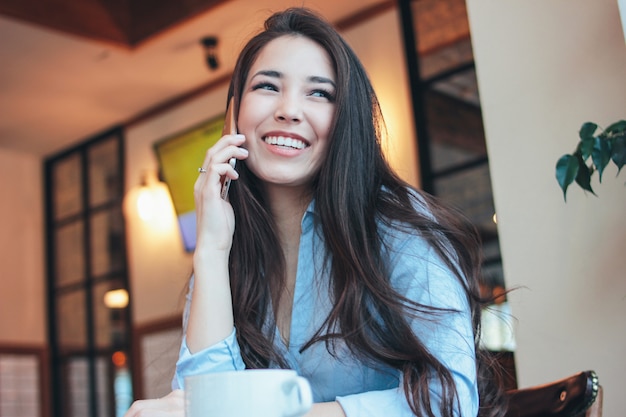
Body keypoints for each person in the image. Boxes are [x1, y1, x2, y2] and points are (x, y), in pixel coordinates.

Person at [125, 7, 505, 417]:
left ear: (346, 120)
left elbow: (449, 399)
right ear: (234, 113)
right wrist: (212, 251)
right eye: (267, 86)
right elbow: (209, 401)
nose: (289, 109)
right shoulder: (230, 248)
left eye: (319, 93)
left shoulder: (400, 224)